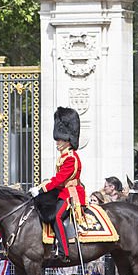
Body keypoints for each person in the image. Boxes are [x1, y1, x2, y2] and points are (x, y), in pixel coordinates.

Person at [29, 106, 85, 264]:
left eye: (59, 139)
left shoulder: (71, 157)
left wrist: (42, 188)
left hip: (72, 193)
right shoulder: (63, 156)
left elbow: (60, 179)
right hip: (63, 191)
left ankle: (63, 251)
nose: (57, 142)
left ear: (68, 140)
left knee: (57, 216)